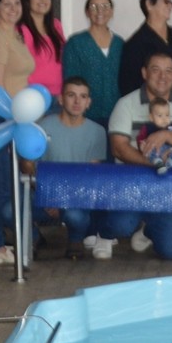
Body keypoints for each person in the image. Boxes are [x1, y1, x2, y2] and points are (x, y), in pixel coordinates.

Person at [107, 53, 172, 260]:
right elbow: (118, 148)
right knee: (120, 226)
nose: (162, 76)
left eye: (169, 71)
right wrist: (154, 163)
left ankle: (147, 230)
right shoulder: (125, 104)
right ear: (144, 73)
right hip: (133, 188)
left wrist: (166, 134)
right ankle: (111, 230)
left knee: (171, 252)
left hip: (170, 193)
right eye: (155, 70)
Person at [0, 0, 35, 263]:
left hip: (17, 118)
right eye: (7, 4)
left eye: (17, 3)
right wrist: (10, 117)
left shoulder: (16, 35)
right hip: (1, 117)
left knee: (11, 183)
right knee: (1, 185)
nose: (13, 9)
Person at [34, 77, 115, 258]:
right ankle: (31, 238)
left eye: (83, 97)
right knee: (10, 211)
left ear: (89, 103)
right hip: (45, 193)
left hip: (77, 196)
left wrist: (62, 200)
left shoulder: (97, 132)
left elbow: (91, 176)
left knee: (76, 216)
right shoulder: (43, 127)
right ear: (61, 99)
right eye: (71, 95)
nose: (77, 101)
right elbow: (33, 168)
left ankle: (75, 239)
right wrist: (48, 197)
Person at [63, 0, 124, 126]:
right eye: (94, 7)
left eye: (104, 6)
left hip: (117, 115)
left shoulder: (120, 44)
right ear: (87, 12)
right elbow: (70, 80)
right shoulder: (76, 43)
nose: (99, 11)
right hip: (85, 115)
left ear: (111, 11)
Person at [118, 0, 172, 101]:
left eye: (171, 3)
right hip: (150, 108)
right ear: (149, 4)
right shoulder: (135, 43)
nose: (170, 6)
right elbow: (129, 84)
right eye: (166, 1)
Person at [22, 0, 67, 98]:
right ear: (27, 0)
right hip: (34, 96)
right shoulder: (22, 30)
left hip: (58, 95)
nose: (43, 0)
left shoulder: (56, 25)